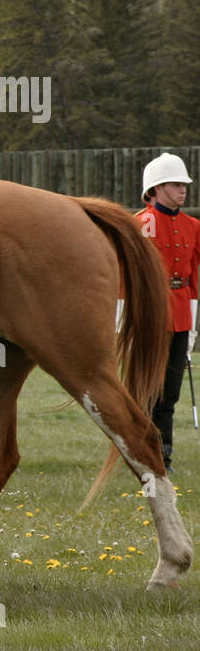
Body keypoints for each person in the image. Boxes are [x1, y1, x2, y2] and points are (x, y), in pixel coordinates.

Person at [138, 153, 200, 472]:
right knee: (148, 390)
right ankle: (141, 453)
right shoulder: (140, 224)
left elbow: (194, 278)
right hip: (150, 316)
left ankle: (164, 457)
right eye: (176, 185)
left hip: (180, 316)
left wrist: (191, 328)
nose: (183, 190)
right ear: (157, 188)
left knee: (170, 393)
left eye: (184, 185)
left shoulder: (193, 226)